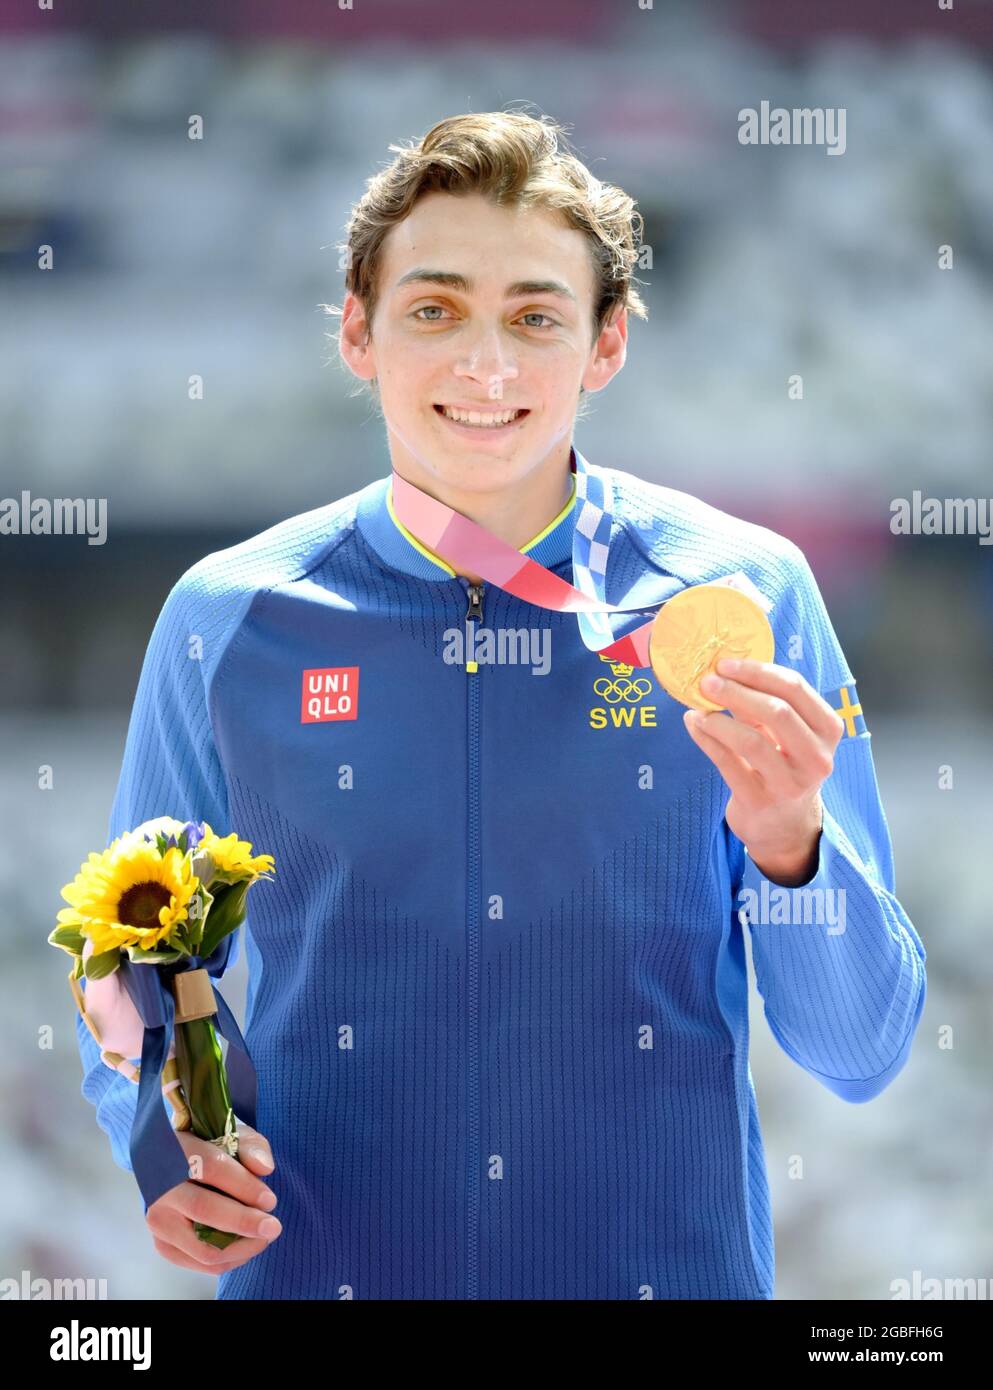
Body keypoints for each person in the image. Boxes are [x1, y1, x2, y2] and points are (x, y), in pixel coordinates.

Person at [75, 110, 926, 1300]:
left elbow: (862, 1051)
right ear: (359, 334)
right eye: (435, 310)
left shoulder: (748, 595)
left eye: (535, 316)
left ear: (607, 345)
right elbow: (134, 952)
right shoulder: (231, 617)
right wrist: (166, 1146)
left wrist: (794, 849)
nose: (486, 366)